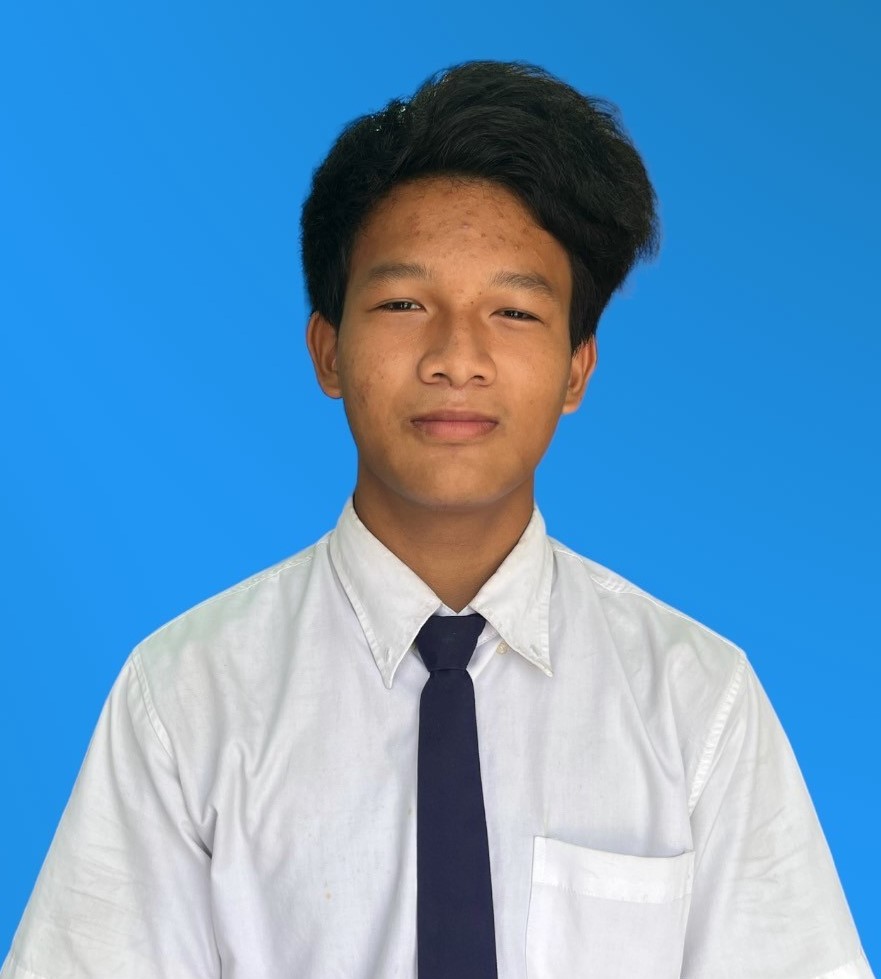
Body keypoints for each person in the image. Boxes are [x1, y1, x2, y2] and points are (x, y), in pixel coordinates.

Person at [1, 60, 873, 979]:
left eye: (513, 310)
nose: (457, 357)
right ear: (327, 349)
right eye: (404, 303)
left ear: (576, 369)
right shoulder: (187, 698)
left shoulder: (696, 703)